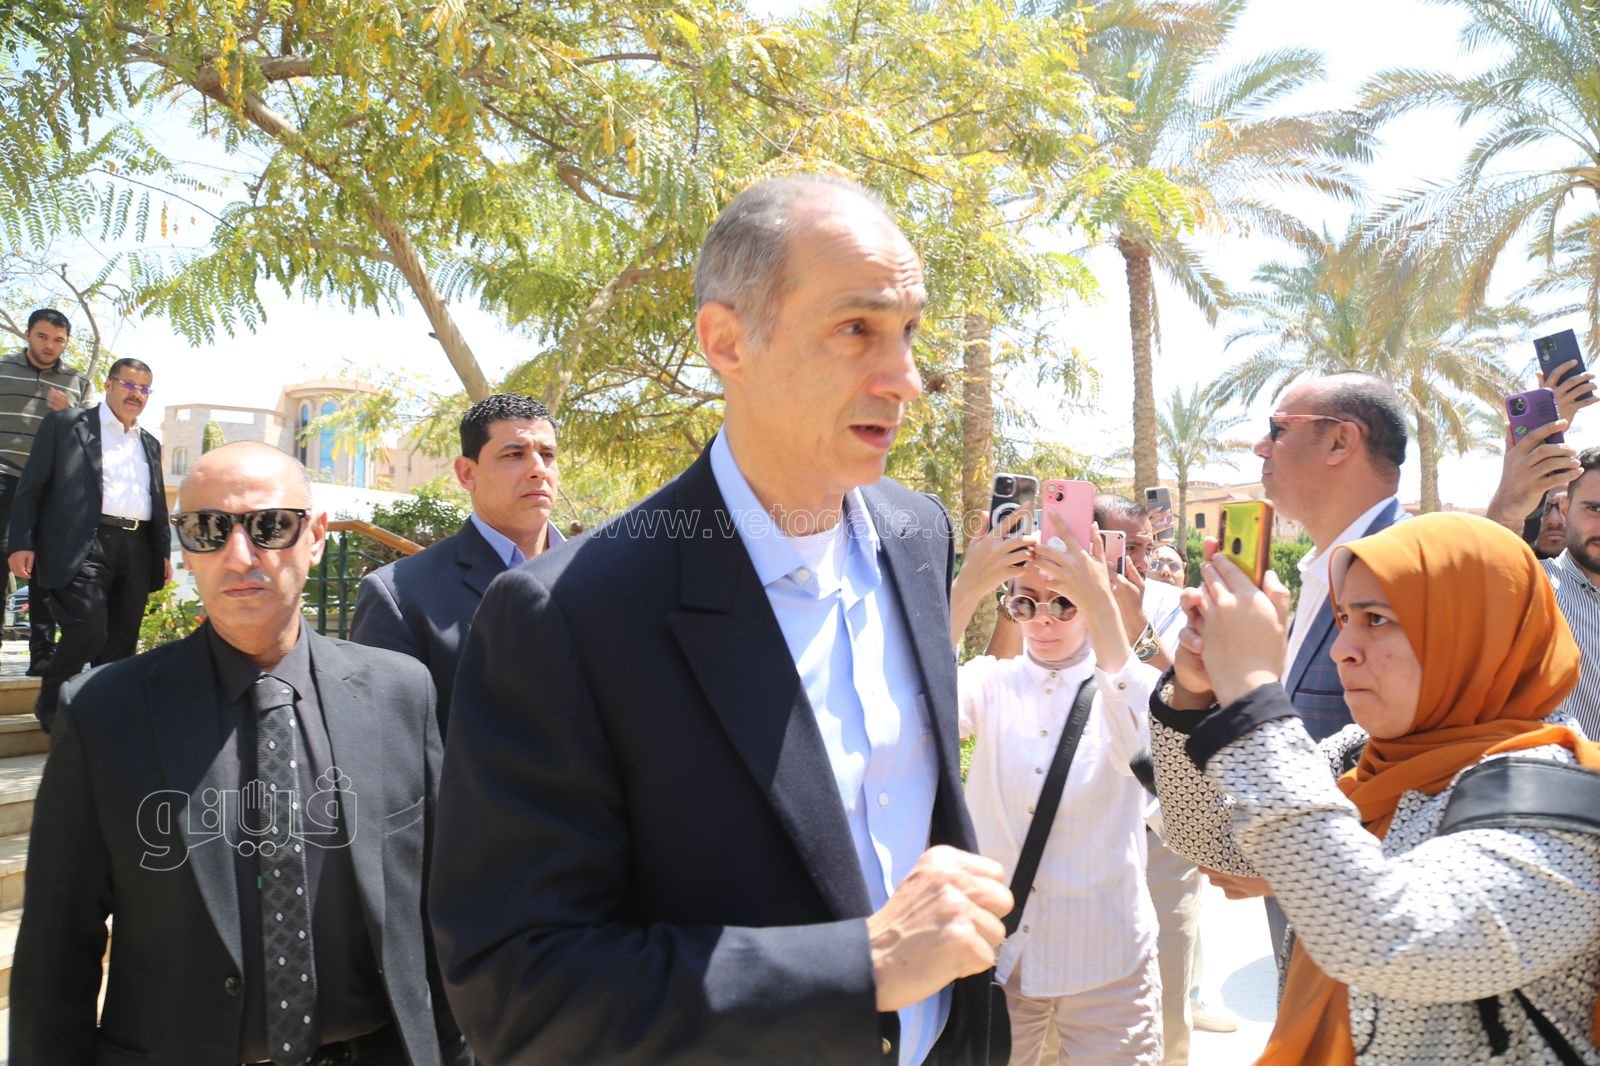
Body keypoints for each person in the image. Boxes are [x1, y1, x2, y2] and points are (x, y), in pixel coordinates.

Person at [430, 174, 1011, 1064]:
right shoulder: (568, 616)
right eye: (856, 328)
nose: (905, 380)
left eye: (908, 332)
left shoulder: (917, 534)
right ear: (727, 341)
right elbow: (519, 987)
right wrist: (860, 968)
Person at [11, 441, 466, 1066]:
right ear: (184, 546)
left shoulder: (401, 693)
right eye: (208, 529)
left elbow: (443, 907)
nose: (239, 555)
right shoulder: (103, 713)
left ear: (316, 537)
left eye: (270, 526)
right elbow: (55, 950)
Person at [1147, 512, 1600, 1064]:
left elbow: (1388, 940)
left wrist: (1252, 698)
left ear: (1472, 632)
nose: (1343, 648)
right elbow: (1214, 840)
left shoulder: (1559, 804)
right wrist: (1194, 693)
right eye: (1344, 618)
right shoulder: (1366, 754)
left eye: (1377, 619)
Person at [951, 526, 1163, 1065]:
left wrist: (1105, 606)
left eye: (1064, 603)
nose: (1043, 620)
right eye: (1026, 603)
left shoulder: (1125, 685)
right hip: (999, 962)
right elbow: (909, 709)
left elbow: (1147, 754)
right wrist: (964, 590)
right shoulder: (989, 683)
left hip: (1108, 962)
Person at [351, 393, 565, 733]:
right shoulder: (399, 596)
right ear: (467, 473)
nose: (538, 469)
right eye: (514, 454)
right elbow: (387, 741)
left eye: (548, 455)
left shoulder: (598, 575)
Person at [7, 357, 169, 731]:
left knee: (121, 643)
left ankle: (101, 722)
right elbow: (31, 487)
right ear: (109, 385)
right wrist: (20, 542)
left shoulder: (150, 443)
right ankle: (52, 704)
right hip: (83, 542)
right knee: (88, 628)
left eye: (144, 388)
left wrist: (161, 551)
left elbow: (157, 500)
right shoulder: (67, 425)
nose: (136, 394)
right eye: (128, 384)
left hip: (136, 546)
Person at [0, 309, 93, 674]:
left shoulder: (77, 382)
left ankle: (42, 654)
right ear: (27, 335)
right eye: (42, 336)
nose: (49, 345)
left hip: (50, 488)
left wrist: (70, 412)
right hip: (4, 477)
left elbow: (90, 438)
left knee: (43, 569)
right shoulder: (3, 369)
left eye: (58, 340)